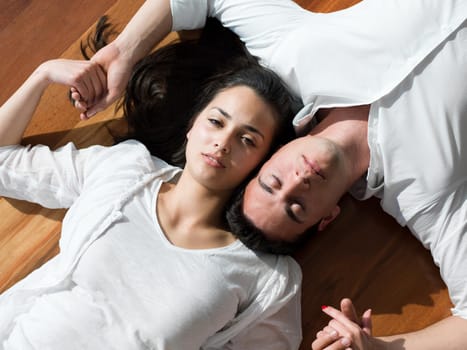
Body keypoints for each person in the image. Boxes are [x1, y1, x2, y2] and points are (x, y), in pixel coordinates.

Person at [69, 0, 467, 349]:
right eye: (296, 208)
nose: (297, 182)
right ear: (326, 217)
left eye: (273, 183)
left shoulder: (294, 53)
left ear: (266, 159)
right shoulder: (426, 197)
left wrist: (124, 50)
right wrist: (384, 349)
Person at [0, 23, 303, 349]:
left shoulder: (266, 275)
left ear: (264, 162)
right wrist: (42, 74)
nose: (223, 143)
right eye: (216, 122)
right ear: (192, 125)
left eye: (247, 139)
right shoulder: (125, 169)